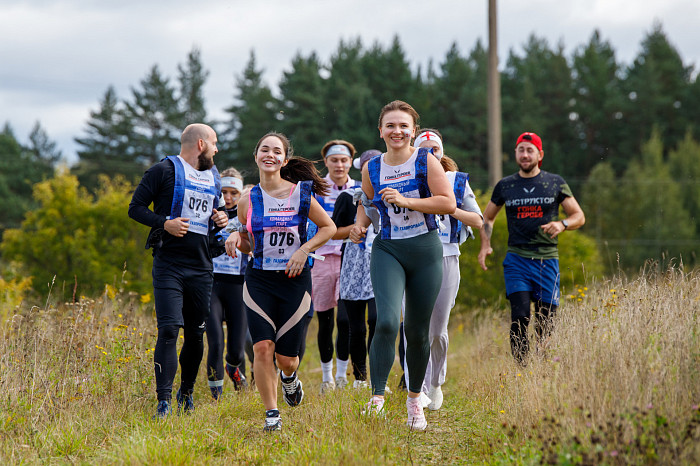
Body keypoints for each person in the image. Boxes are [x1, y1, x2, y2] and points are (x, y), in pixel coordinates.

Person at [349, 101, 456, 431]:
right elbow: (367, 204)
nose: (397, 131)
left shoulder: (425, 160)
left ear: (412, 130)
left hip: (425, 249)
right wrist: (359, 225)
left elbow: (448, 203)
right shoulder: (371, 169)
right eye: (390, 125)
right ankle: (377, 399)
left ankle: (414, 401)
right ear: (380, 131)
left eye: (403, 126)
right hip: (388, 250)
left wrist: (408, 200)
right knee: (385, 322)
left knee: (417, 330)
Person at [225, 132, 336, 432]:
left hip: (295, 281)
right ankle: (271, 413)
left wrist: (303, 250)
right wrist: (237, 237)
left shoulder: (300, 194)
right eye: (264, 149)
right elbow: (250, 245)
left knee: (287, 359)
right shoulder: (247, 200)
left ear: (284, 160)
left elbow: (328, 227)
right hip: (259, 279)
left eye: (277, 151)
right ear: (256, 155)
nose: (270, 154)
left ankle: (289, 378)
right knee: (262, 347)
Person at [128, 123, 229, 418]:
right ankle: (163, 401)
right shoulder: (163, 170)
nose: (216, 148)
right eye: (214, 142)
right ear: (200, 144)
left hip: (201, 267)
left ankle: (186, 394)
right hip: (169, 265)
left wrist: (222, 218)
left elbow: (220, 212)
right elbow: (135, 208)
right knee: (170, 329)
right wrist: (164, 223)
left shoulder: (214, 176)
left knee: (196, 335)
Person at [478, 132, 585, 365]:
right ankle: (522, 369)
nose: (525, 155)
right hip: (517, 259)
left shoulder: (554, 183)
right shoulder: (505, 185)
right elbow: (487, 218)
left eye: (530, 150)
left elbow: (578, 216)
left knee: (546, 320)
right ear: (515, 154)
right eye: (521, 150)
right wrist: (485, 246)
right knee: (520, 316)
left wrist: (562, 223)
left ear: (540, 154)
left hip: (547, 260)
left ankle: (542, 366)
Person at [404, 128, 483, 410]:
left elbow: (477, 220)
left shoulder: (455, 181)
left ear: (441, 152)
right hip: (412, 256)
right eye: (423, 151)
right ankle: (418, 388)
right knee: (413, 328)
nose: (429, 156)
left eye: (434, 150)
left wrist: (451, 209)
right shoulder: (404, 178)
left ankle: (436, 382)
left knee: (437, 331)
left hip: (446, 256)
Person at [331, 149, 382, 388]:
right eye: (366, 168)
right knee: (356, 326)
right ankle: (359, 377)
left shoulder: (389, 195)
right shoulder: (348, 197)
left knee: (377, 320)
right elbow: (332, 231)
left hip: (381, 262)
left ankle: (377, 376)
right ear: (360, 170)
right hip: (353, 265)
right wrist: (355, 228)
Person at [312, 140, 359, 393]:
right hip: (320, 261)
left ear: (350, 162)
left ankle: (342, 375)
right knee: (325, 321)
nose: (339, 165)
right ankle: (326, 377)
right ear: (326, 162)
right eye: (334, 160)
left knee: (345, 320)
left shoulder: (360, 189)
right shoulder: (316, 189)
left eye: (343, 160)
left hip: (348, 259)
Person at [206, 168, 249, 399]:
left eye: (234, 192)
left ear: (242, 194)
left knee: (235, 350)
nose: (229, 197)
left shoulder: (247, 216)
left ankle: (232, 369)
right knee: (215, 342)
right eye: (224, 192)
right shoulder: (209, 215)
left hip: (238, 286)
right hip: (211, 285)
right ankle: (216, 397)